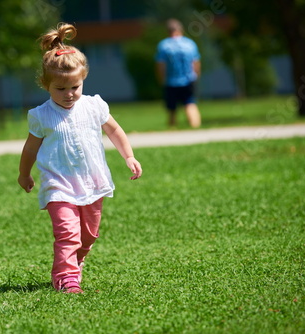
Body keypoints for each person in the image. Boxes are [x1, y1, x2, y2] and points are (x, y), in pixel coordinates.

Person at [18, 23, 143, 294]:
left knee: (88, 236)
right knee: (68, 235)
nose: (69, 93)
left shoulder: (94, 106)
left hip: (92, 181)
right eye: (61, 88)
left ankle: (77, 260)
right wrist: (24, 173)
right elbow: (30, 148)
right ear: (46, 85)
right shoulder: (42, 115)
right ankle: (65, 277)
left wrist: (129, 156)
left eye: (75, 86)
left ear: (83, 79)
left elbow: (114, 130)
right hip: (59, 185)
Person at [155, 19, 202, 128]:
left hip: (171, 81)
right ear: (181, 30)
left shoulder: (164, 45)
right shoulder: (190, 44)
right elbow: (196, 63)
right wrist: (196, 76)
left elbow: (161, 66)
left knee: (171, 109)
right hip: (189, 79)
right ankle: (195, 128)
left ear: (168, 31)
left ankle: (172, 131)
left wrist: (161, 79)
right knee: (190, 104)